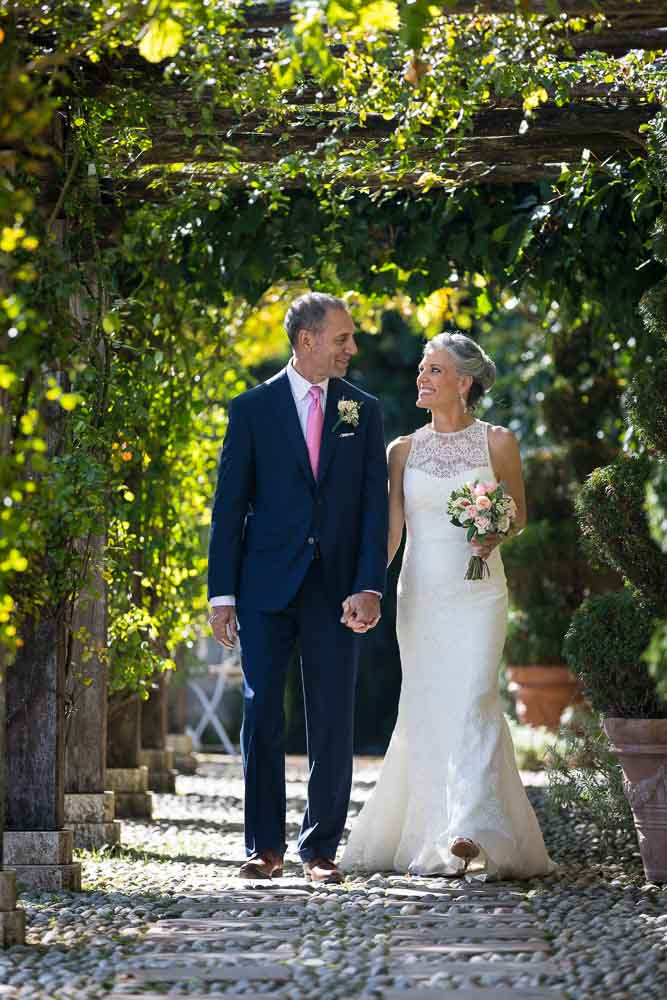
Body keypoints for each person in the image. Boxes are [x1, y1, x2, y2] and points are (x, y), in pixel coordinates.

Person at [342, 331, 554, 879]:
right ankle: (435, 828)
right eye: (421, 368)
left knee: (478, 694)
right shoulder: (402, 451)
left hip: (479, 590)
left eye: (434, 370)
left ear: (464, 382)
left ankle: (471, 826)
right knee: (429, 704)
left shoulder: (499, 442)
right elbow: (392, 533)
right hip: (422, 595)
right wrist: (367, 589)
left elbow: (518, 515)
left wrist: (494, 533)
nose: (422, 377)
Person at [208, 292, 388, 884]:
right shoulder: (251, 409)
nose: (352, 348)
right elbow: (229, 506)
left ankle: (320, 850)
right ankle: (264, 846)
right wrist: (222, 594)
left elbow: (371, 509)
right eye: (343, 338)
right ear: (306, 340)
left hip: (336, 588)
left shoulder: (363, 410)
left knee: (332, 714)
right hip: (263, 587)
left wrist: (369, 585)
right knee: (262, 712)